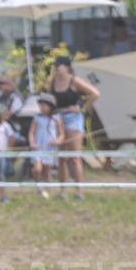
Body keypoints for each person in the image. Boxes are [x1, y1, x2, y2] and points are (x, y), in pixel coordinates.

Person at [47, 55, 100, 200]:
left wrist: (82, 108)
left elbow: (95, 93)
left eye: (59, 65)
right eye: (55, 66)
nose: (56, 68)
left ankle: (79, 190)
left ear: (67, 68)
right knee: (61, 157)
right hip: (58, 118)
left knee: (74, 156)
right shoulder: (52, 82)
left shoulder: (74, 80)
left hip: (73, 118)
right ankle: (63, 191)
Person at [28, 93, 64, 199]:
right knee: (37, 169)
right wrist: (32, 143)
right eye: (41, 105)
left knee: (48, 171)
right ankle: (38, 185)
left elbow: (61, 134)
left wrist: (57, 141)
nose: (42, 108)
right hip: (38, 147)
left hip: (50, 147)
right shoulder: (36, 118)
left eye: (45, 105)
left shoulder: (56, 118)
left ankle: (47, 191)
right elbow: (31, 132)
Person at [0, 74, 26, 178]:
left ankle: (7, 168)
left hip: (15, 130)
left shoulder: (16, 98)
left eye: (1, 83)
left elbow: (6, 116)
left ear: (10, 85)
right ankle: (6, 169)